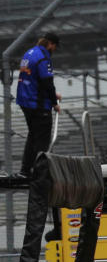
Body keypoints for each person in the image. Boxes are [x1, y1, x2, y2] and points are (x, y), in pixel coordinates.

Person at [15, 30, 61, 177]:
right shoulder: (43, 57)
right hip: (38, 104)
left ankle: (25, 171)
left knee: (33, 135)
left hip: (25, 101)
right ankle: (40, 173)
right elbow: (47, 82)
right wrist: (54, 103)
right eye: (54, 46)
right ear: (50, 44)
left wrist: (52, 95)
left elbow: (35, 79)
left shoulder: (29, 53)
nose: (54, 50)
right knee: (42, 139)